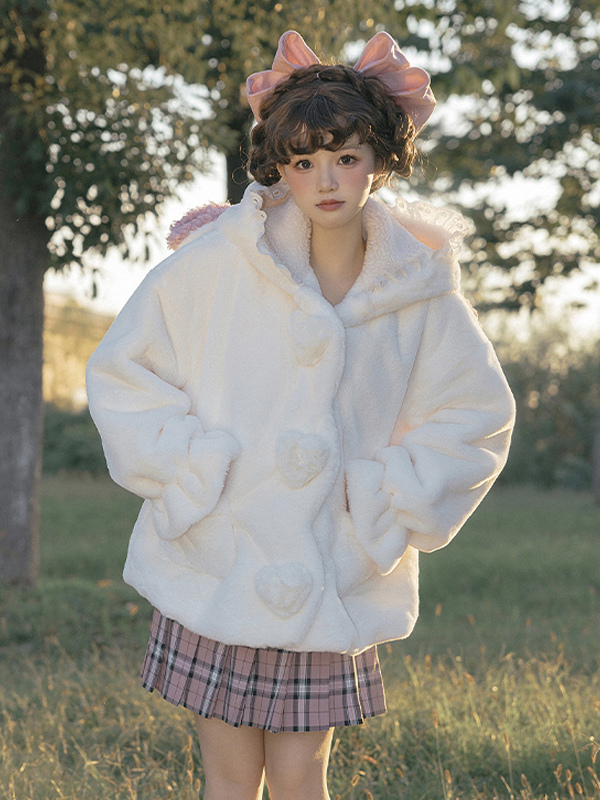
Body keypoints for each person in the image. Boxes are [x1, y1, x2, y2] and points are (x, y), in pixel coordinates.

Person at [86, 30, 515, 800]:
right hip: (219, 560)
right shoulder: (219, 262)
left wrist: (381, 494)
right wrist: (195, 468)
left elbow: (474, 415)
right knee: (228, 779)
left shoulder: (419, 292)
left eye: (346, 157)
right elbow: (125, 372)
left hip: (332, 573)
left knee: (301, 776)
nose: (326, 180)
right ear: (278, 165)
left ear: (380, 158)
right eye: (303, 161)